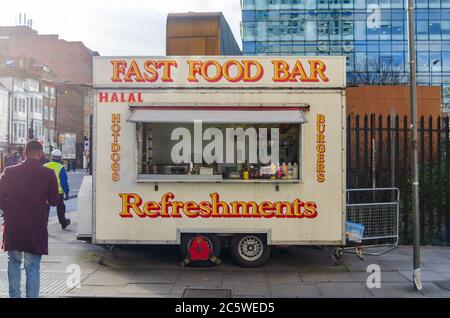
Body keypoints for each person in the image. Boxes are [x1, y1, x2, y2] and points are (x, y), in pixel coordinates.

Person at [0, 140, 59, 298]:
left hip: (13, 226)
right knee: (32, 266)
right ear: (40, 154)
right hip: (35, 227)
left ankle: (14, 296)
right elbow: (54, 200)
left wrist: (9, 209)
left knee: (13, 262)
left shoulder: (9, 171)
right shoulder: (48, 174)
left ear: (24, 153)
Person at [44, 149, 71, 230]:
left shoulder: (45, 166)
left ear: (52, 157)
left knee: (45, 209)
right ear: (60, 158)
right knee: (60, 207)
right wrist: (66, 192)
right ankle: (63, 223)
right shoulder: (60, 168)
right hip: (58, 193)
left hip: (46, 193)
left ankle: (44, 224)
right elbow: (64, 182)